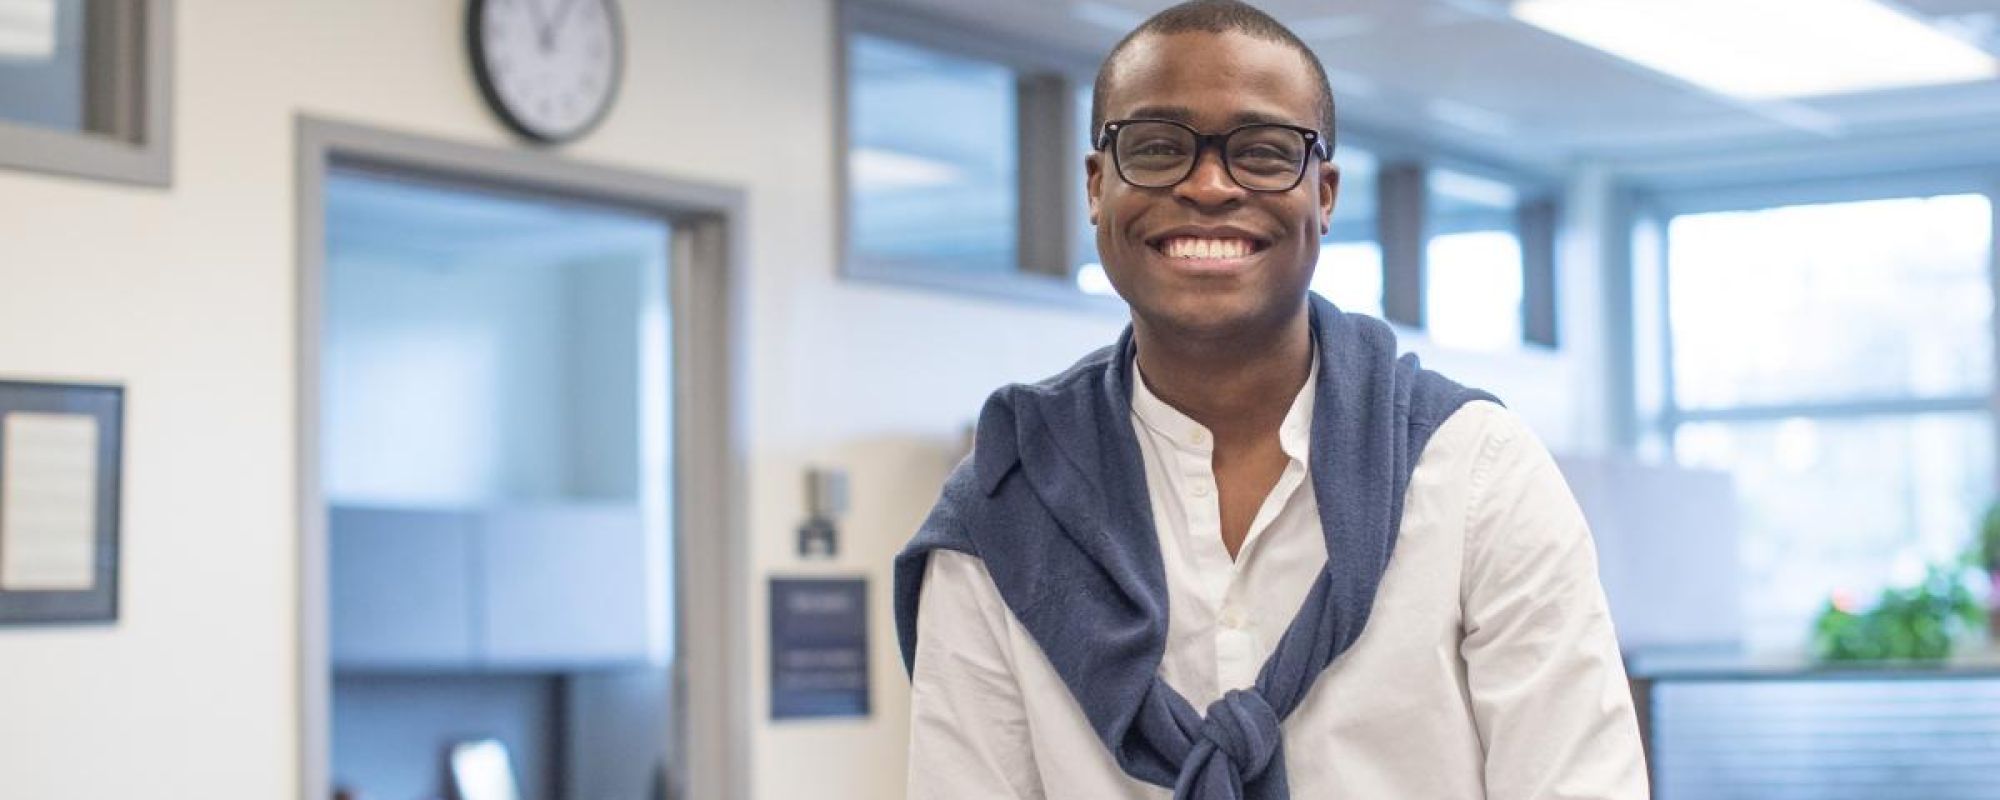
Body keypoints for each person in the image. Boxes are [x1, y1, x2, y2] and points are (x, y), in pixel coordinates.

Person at [893, 1, 1648, 798]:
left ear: (1323, 195)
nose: (1210, 185)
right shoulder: (1007, 506)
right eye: (1155, 147)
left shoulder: (1477, 474)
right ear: (1095, 187)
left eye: (1262, 152)